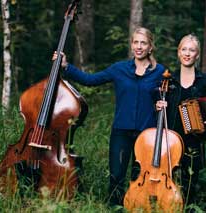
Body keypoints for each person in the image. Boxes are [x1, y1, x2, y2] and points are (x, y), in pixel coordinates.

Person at [53, 27, 166, 207]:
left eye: (143, 43)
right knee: (116, 177)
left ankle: (136, 208)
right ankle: (115, 208)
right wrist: (66, 66)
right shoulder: (119, 69)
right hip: (121, 132)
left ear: (150, 47)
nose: (139, 46)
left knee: (139, 177)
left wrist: (162, 103)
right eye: (135, 42)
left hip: (147, 135)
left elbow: (170, 97)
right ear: (131, 45)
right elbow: (90, 80)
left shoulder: (161, 72)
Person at [156, 34, 206, 205]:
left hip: (193, 143)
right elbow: (156, 111)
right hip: (169, 142)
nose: (187, 53)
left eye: (192, 50)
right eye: (184, 49)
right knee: (166, 185)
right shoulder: (168, 80)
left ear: (197, 55)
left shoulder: (204, 81)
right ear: (178, 53)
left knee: (189, 189)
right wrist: (157, 106)